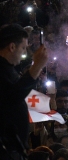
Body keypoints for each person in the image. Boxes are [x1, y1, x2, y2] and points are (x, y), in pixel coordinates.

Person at [0, 24, 48, 160]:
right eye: (23, 48)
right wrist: (36, 66)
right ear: (12, 47)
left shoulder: (9, 69)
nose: (24, 53)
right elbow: (11, 97)